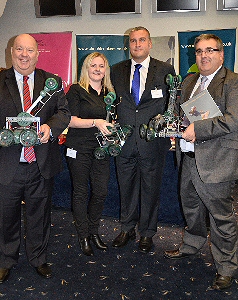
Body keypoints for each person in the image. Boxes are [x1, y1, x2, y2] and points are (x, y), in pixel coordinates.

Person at [164, 34, 238, 290]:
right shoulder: (189, 81)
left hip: (217, 161)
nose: (203, 55)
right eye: (198, 51)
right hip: (186, 156)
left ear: (221, 54)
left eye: (209, 50)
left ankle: (227, 267)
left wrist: (198, 129)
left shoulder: (233, 82)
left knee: (221, 218)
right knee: (191, 209)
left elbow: (233, 120)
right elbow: (178, 113)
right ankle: (192, 245)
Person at [0, 34, 70, 283]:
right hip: (8, 164)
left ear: (37, 54)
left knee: (39, 216)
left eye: (29, 50)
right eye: (19, 49)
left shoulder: (51, 82)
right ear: (12, 52)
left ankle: (38, 259)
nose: (24, 55)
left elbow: (64, 113)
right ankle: (6, 259)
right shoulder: (0, 80)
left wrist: (51, 128)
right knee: (6, 215)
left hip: (40, 163)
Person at [110, 26, 175, 253]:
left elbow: (171, 104)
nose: (137, 44)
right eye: (133, 41)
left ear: (150, 43)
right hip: (124, 142)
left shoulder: (165, 69)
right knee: (125, 188)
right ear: (129, 44)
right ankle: (127, 229)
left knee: (150, 189)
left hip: (152, 143)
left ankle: (147, 233)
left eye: (142, 40)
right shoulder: (116, 70)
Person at [65, 52, 114, 256]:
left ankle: (94, 232)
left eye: (101, 66)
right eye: (92, 65)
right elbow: (69, 120)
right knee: (81, 192)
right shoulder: (76, 90)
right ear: (86, 68)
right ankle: (83, 235)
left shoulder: (109, 92)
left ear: (106, 70)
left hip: (101, 149)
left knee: (101, 191)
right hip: (79, 147)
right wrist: (96, 122)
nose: (97, 69)